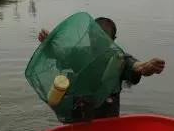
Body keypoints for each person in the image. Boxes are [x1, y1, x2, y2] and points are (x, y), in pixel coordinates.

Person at [37, 16, 165, 120]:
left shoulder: (118, 59)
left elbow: (136, 66)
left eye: (103, 37)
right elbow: (58, 54)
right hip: (79, 120)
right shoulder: (79, 54)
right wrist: (48, 41)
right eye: (95, 36)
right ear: (89, 36)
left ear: (112, 40)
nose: (98, 41)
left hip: (107, 124)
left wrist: (146, 66)